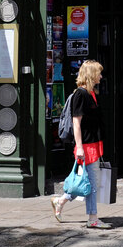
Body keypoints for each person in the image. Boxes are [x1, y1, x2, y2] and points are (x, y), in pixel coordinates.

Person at [50, 60, 111, 229]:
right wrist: (80, 148)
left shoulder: (91, 93)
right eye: (98, 73)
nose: (101, 76)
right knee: (91, 183)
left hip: (94, 144)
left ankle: (60, 201)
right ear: (91, 75)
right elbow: (76, 123)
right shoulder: (80, 95)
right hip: (86, 146)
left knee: (87, 181)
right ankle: (92, 218)